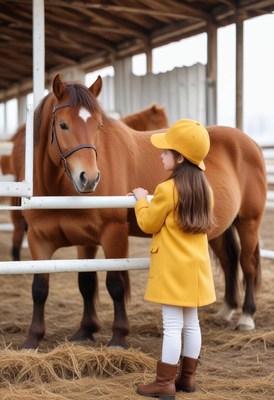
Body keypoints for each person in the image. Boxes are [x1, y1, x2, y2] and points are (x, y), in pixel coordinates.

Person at [131, 119, 216, 399]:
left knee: (172, 327)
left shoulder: (167, 190)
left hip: (172, 270)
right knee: (192, 324)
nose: (161, 155)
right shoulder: (205, 190)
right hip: (196, 270)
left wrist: (141, 200)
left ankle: (164, 383)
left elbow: (148, 224)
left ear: (180, 158)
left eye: (166, 152)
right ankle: (188, 378)